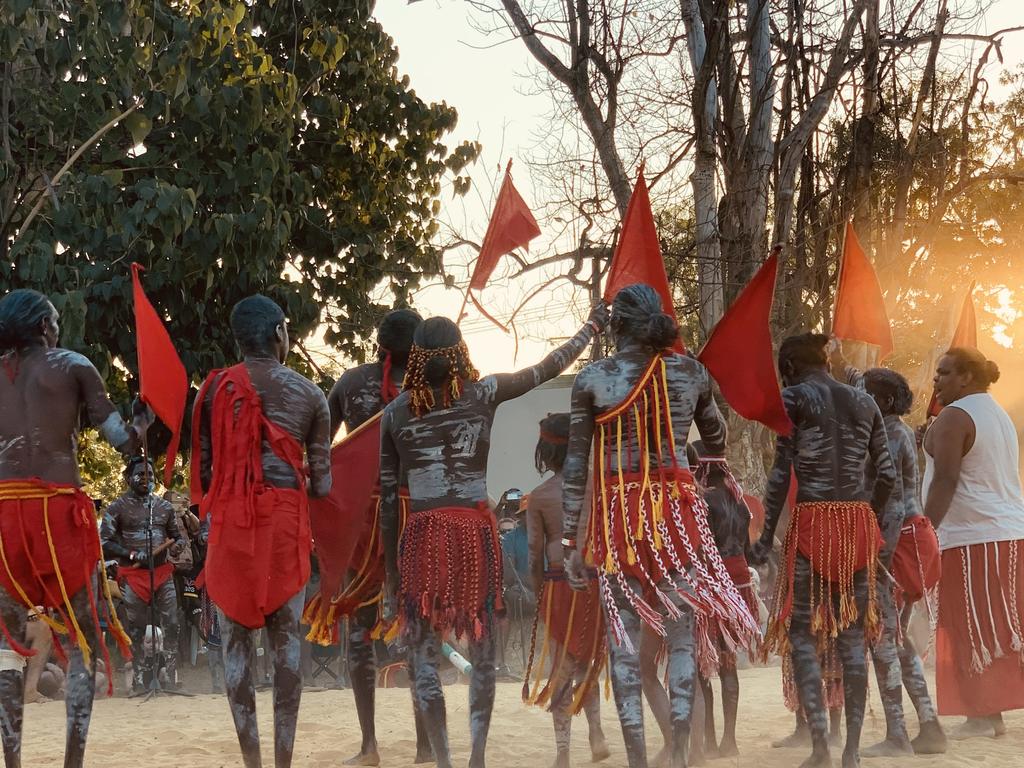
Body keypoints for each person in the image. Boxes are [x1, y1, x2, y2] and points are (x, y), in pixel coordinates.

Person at [379, 303, 608, 768]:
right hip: (471, 531)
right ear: (461, 352)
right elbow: (548, 367)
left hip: (423, 535)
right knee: (483, 649)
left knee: (423, 654)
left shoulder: (395, 414)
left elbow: (387, 501)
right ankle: (477, 757)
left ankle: (443, 759)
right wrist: (592, 327)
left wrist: (390, 574)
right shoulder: (483, 393)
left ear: (418, 358)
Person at [562, 284, 759, 768]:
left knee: (624, 645)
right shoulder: (691, 372)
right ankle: (682, 758)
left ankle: (638, 762)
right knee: (682, 637)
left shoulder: (592, 379)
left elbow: (574, 467)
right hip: (676, 514)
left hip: (620, 521)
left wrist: (570, 539)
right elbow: (717, 436)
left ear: (616, 325)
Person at [0, 289, 146, 767]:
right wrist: (140, 428)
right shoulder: (71, 364)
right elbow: (120, 438)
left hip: (3, 519)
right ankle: (72, 764)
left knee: (8, 641)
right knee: (83, 637)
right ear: (44, 325)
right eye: (57, 321)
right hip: (57, 513)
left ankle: (13, 762)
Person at [192, 295, 332, 768]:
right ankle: (283, 763)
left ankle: (251, 761)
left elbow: (206, 474)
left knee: (235, 645)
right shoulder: (311, 395)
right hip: (285, 526)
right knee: (287, 641)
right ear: (278, 334)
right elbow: (324, 482)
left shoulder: (212, 391)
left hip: (231, 526)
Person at [751, 332, 896, 768]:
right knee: (853, 637)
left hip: (813, 522)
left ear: (789, 367)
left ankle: (820, 746)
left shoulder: (793, 399)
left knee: (802, 636)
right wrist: (868, 519)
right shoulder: (865, 402)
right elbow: (886, 474)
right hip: (855, 524)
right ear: (826, 363)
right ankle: (850, 751)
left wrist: (762, 540)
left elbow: (780, 478)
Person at [325, 308, 430, 766]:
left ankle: (370, 746)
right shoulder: (436, 387)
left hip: (365, 520)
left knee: (361, 632)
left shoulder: (350, 383)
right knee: (419, 628)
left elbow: (321, 448)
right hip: (420, 516)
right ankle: (426, 744)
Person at [923, 347, 1024, 739]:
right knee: (998, 624)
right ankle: (987, 714)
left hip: (973, 538)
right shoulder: (995, 413)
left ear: (966, 377)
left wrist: (924, 529)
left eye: (943, 373)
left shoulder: (955, 416)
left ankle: (983, 717)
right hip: (1006, 533)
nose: (936, 380)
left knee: (972, 626)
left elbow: (946, 479)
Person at [860, 367, 946, 755]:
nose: (859, 401)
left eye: (866, 395)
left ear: (886, 403)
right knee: (895, 640)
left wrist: (878, 560)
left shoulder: (891, 435)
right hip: (910, 538)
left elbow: (891, 504)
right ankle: (929, 727)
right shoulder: (891, 432)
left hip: (900, 542)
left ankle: (898, 735)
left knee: (884, 641)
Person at [523, 413, 609, 768]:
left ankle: (563, 754)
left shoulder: (541, 497)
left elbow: (533, 553)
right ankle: (597, 733)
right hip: (596, 581)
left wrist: (539, 593)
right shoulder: (598, 486)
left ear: (545, 450)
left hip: (560, 583)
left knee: (562, 665)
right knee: (586, 662)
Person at [686, 441, 759, 761]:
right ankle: (729, 739)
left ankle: (711, 740)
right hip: (738, 581)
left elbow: (700, 549)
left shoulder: (703, 501)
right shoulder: (738, 501)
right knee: (728, 664)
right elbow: (744, 545)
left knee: (703, 664)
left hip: (712, 585)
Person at [101, 456, 185, 692]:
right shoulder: (116, 508)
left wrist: (177, 546)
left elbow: (176, 536)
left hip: (161, 571)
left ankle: (169, 674)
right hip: (133, 575)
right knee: (135, 628)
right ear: (128, 477)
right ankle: (138, 678)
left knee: (172, 622)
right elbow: (104, 541)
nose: (146, 479)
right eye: (141, 474)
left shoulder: (165, 507)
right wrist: (132, 554)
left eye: (150, 474)